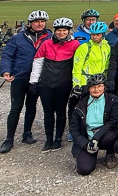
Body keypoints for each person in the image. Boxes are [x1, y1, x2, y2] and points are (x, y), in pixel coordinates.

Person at [0, 10, 51, 153]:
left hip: (37, 78)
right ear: (30, 23)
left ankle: (27, 133)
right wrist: (5, 71)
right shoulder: (18, 38)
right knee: (16, 107)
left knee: (31, 106)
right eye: (36, 21)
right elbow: (7, 55)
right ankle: (9, 138)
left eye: (42, 21)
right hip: (19, 77)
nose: (40, 24)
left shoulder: (50, 37)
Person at [30, 17, 80, 152]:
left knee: (60, 111)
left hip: (63, 84)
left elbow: (78, 66)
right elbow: (38, 62)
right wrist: (34, 81)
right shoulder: (46, 44)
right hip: (45, 83)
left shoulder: (75, 45)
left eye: (64, 30)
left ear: (69, 31)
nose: (61, 33)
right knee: (48, 113)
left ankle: (58, 139)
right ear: (54, 31)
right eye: (59, 30)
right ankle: (48, 139)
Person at [70, 73, 118, 175]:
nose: (96, 89)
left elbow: (113, 121)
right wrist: (86, 145)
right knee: (84, 170)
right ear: (89, 88)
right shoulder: (80, 104)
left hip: (104, 134)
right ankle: (91, 152)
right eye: (93, 87)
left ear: (104, 86)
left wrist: (96, 138)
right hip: (87, 137)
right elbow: (74, 129)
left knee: (113, 136)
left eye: (99, 86)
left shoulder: (112, 100)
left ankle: (110, 153)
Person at [72, 22, 111, 90]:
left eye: (97, 35)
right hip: (85, 82)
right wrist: (76, 85)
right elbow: (77, 68)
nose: (95, 37)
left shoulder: (107, 47)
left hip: (99, 82)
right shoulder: (84, 47)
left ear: (103, 35)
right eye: (93, 34)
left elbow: (106, 66)